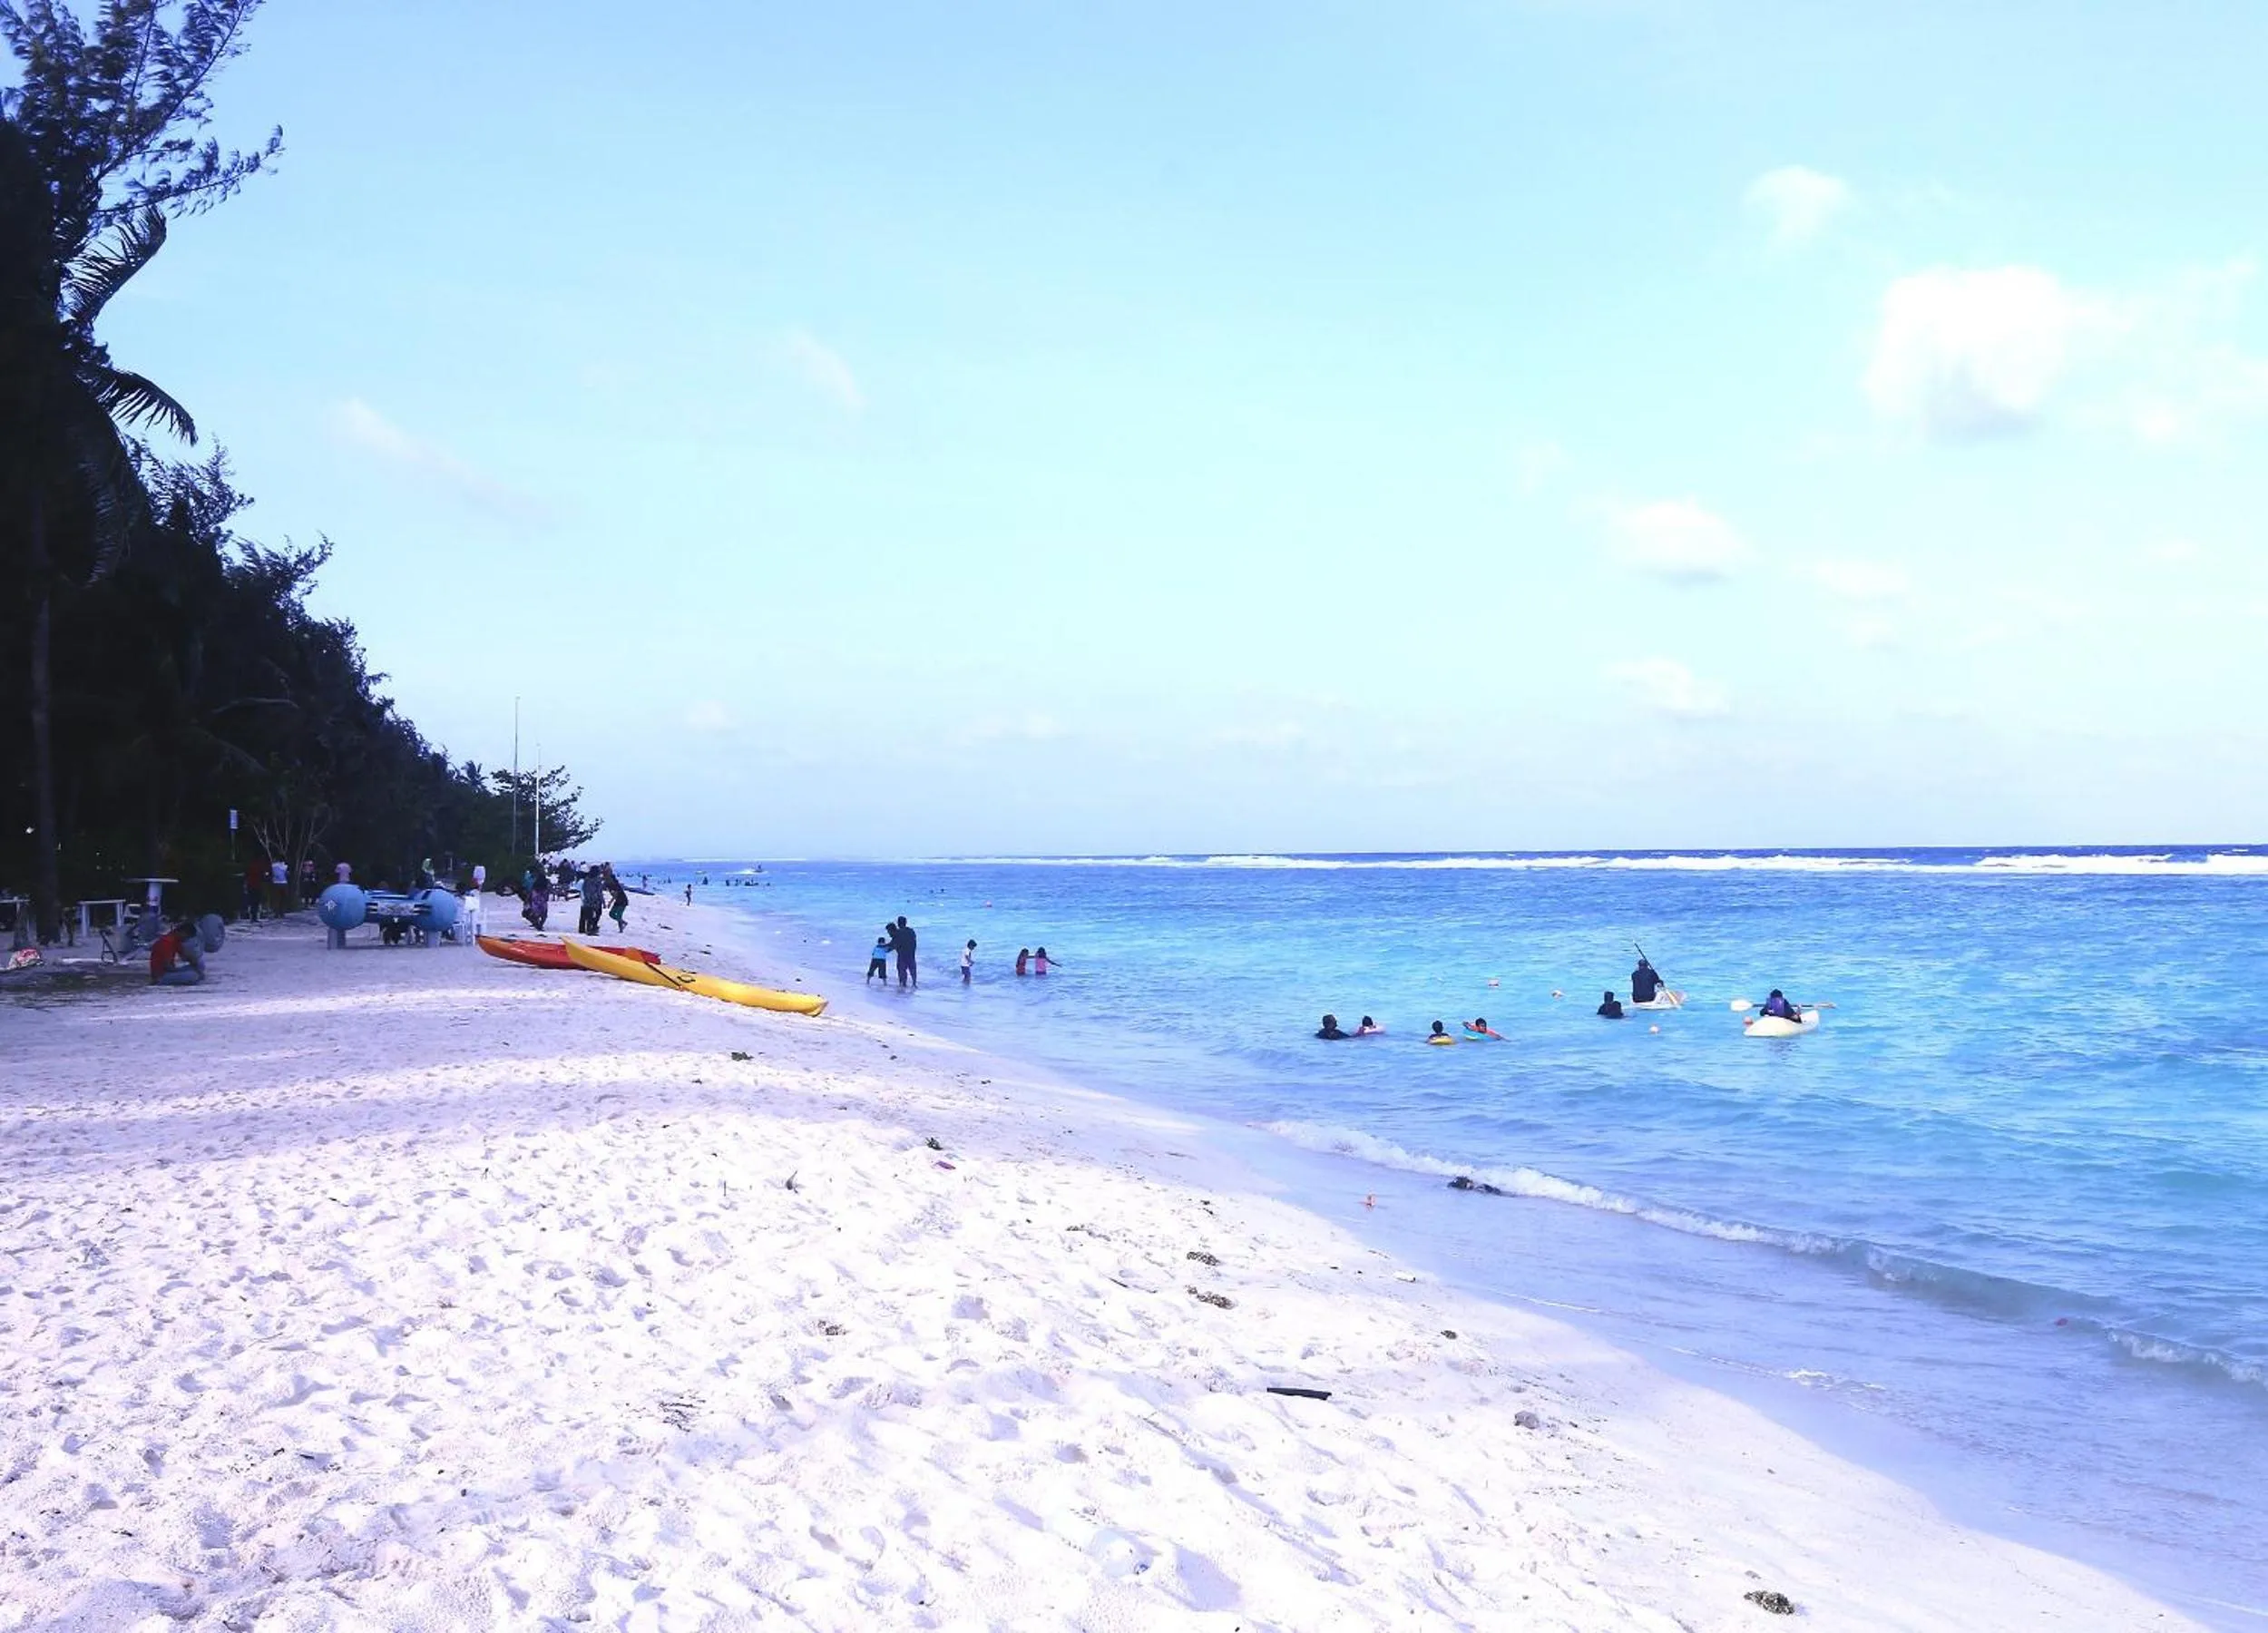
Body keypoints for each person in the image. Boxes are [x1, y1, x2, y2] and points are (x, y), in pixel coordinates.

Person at [149, 919, 205, 986]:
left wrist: (194, 963)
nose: (186, 939)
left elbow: (185, 957)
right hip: (161, 975)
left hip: (170, 971)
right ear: (182, 932)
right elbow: (168, 967)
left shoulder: (176, 940)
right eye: (187, 937)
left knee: (200, 965)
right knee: (192, 975)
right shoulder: (167, 942)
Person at [892, 915, 917, 989]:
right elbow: (914, 942)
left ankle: (903, 984)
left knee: (901, 970)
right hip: (911, 954)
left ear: (898, 923)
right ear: (906, 923)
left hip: (902, 954)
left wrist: (884, 948)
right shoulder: (911, 931)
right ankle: (914, 983)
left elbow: (894, 944)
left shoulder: (898, 933)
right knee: (912, 969)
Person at [578, 866, 605, 936]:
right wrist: (602, 901)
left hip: (587, 899)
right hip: (595, 900)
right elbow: (599, 892)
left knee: (586, 914)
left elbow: (584, 890)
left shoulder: (587, 879)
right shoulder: (597, 880)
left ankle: (584, 929)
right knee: (597, 914)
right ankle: (592, 928)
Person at [604, 865, 629, 933]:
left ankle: (621, 929)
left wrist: (610, 902)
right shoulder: (609, 881)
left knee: (619, 915)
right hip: (618, 900)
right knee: (612, 914)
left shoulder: (613, 883)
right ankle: (623, 923)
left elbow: (615, 894)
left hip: (623, 900)